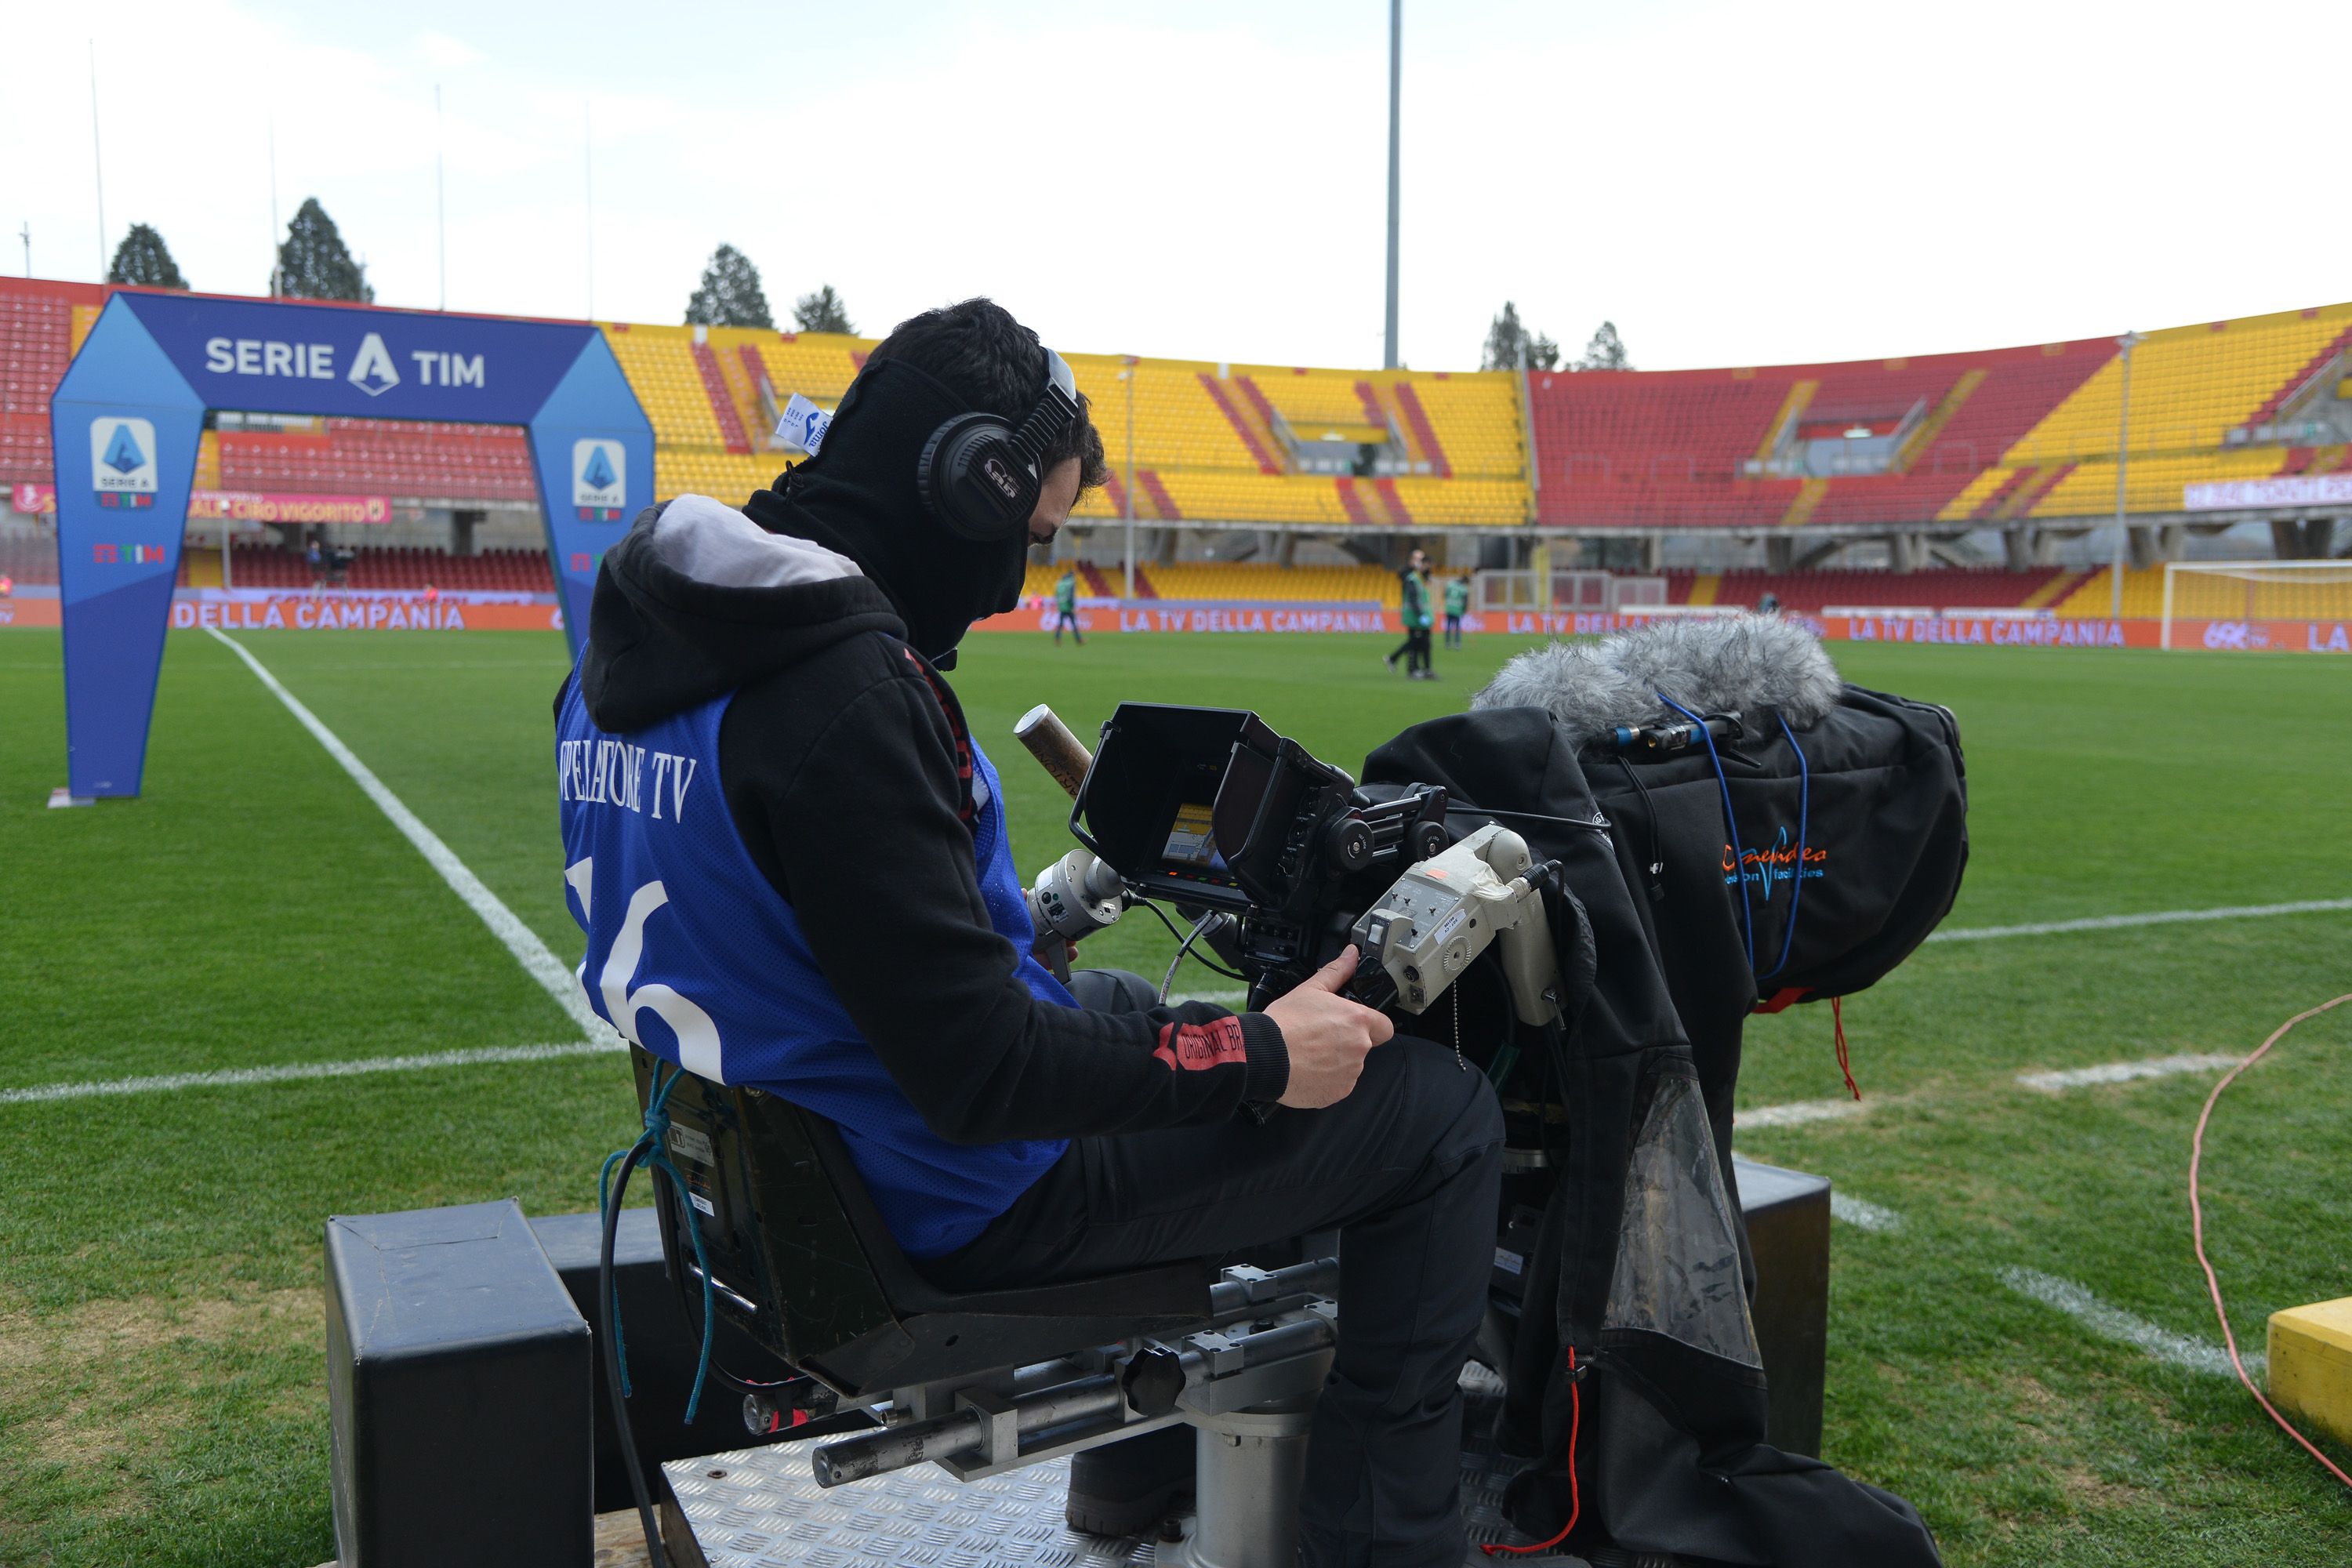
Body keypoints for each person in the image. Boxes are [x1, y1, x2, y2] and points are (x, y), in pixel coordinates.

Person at [555, 299, 1501, 1568]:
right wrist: (1268, 1054)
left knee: (1138, 1014)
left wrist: (1061, 963)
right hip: (952, 1190)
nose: (1014, 585)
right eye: (1031, 536)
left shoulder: (624, 660)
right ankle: (1387, 1544)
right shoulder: (843, 699)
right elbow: (985, 1075)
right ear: (968, 484)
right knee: (1435, 1114)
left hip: (798, 1170)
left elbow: (801, 932)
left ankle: (1132, 1479)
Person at [1386, 547, 1437, 679]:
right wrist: (1421, 616)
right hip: (1415, 616)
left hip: (1421, 615)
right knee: (1415, 643)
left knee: (1421, 643)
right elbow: (1412, 597)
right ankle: (1412, 669)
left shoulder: (1420, 577)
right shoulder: (1410, 577)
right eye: (1418, 559)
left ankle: (1419, 668)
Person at [1051, 563, 1083, 644]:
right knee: (1074, 623)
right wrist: (1072, 606)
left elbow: (1057, 595)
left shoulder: (1060, 583)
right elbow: (1070, 596)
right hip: (1068, 607)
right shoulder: (1071, 583)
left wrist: (1059, 605)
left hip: (1062, 606)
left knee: (1061, 623)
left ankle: (1057, 639)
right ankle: (1079, 639)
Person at [1443, 569, 1470, 648]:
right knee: (1457, 627)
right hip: (1457, 610)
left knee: (1448, 626)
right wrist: (1464, 610)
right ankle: (1457, 643)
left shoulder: (1450, 584)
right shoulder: (1464, 589)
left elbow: (1445, 594)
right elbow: (1465, 601)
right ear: (1465, 581)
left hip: (1449, 608)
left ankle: (1447, 643)